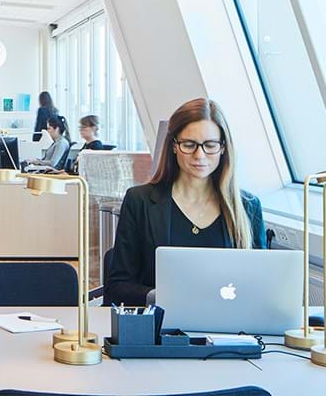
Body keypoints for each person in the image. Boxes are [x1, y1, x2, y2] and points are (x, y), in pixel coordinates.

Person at [103, 98, 267, 307]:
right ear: (174, 146)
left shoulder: (247, 207)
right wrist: (159, 298)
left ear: (223, 148)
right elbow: (117, 287)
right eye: (189, 145)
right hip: (161, 329)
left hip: (228, 330)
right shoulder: (140, 201)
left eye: (210, 145)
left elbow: (261, 285)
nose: (200, 155)